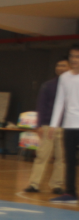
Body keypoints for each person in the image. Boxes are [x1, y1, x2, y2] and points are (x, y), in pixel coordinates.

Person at [24, 57, 70, 194]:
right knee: (42, 156)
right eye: (58, 65)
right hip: (48, 126)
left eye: (63, 65)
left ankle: (57, 185)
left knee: (62, 158)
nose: (60, 68)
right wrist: (39, 125)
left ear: (70, 68)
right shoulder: (48, 85)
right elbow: (41, 105)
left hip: (66, 127)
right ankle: (34, 184)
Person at [49, 45, 79, 204]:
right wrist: (53, 125)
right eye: (72, 56)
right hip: (69, 126)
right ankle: (70, 193)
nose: (74, 59)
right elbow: (59, 102)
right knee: (69, 160)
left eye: (77, 56)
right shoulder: (64, 78)